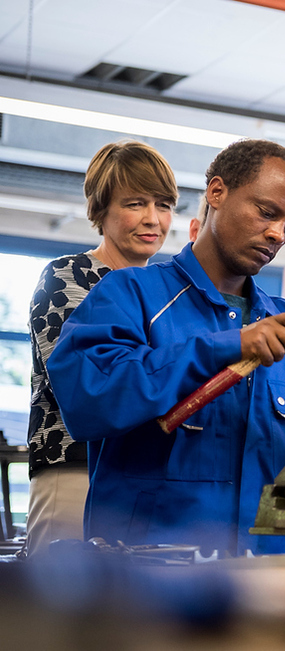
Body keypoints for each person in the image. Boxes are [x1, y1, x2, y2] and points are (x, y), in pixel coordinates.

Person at [47, 139, 285, 556]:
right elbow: (90, 400)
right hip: (153, 577)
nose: (277, 233)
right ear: (217, 193)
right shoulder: (131, 295)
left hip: (276, 574)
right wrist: (224, 347)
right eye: (267, 212)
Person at [26, 140, 178, 557]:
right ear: (100, 208)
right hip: (77, 469)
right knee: (60, 615)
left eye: (163, 205)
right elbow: (90, 385)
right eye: (136, 203)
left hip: (147, 477)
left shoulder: (170, 292)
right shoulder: (69, 277)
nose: (153, 219)